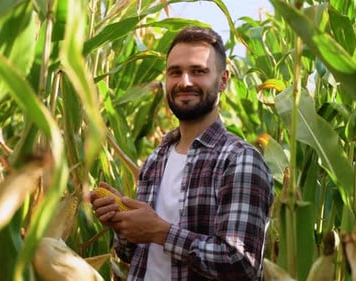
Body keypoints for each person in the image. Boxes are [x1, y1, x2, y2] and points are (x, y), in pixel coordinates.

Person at [91, 26, 273, 281]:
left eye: (198, 71)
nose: (184, 82)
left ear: (223, 80)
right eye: (175, 72)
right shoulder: (157, 159)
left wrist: (161, 232)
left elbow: (241, 264)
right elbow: (136, 255)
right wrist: (122, 222)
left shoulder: (240, 160)